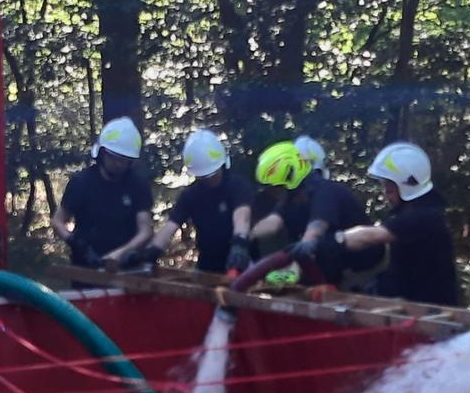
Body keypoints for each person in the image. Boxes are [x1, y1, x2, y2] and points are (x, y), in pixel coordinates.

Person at [333, 142, 461, 305]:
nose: (386, 195)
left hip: (431, 310)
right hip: (411, 304)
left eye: (390, 189)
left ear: (407, 185)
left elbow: (370, 236)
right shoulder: (414, 213)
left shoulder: (424, 217)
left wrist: (331, 242)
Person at [249, 141, 386, 290]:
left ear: (290, 180)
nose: (273, 194)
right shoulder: (290, 199)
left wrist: (292, 271)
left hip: (364, 269)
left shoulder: (325, 193)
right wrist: (246, 237)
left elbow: (314, 232)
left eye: (275, 188)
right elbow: (273, 223)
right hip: (335, 266)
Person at [123, 129, 254, 274]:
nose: (208, 179)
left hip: (242, 264)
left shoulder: (237, 186)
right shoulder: (191, 195)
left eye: (211, 174)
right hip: (207, 267)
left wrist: (239, 244)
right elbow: (170, 227)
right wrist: (151, 252)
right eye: (203, 176)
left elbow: (242, 218)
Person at [54, 116, 154, 269]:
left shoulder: (138, 184)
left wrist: (121, 253)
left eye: (123, 160)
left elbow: (145, 230)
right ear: (102, 154)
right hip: (86, 266)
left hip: (127, 268)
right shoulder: (81, 182)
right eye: (113, 157)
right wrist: (76, 244)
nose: (118, 164)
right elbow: (58, 221)